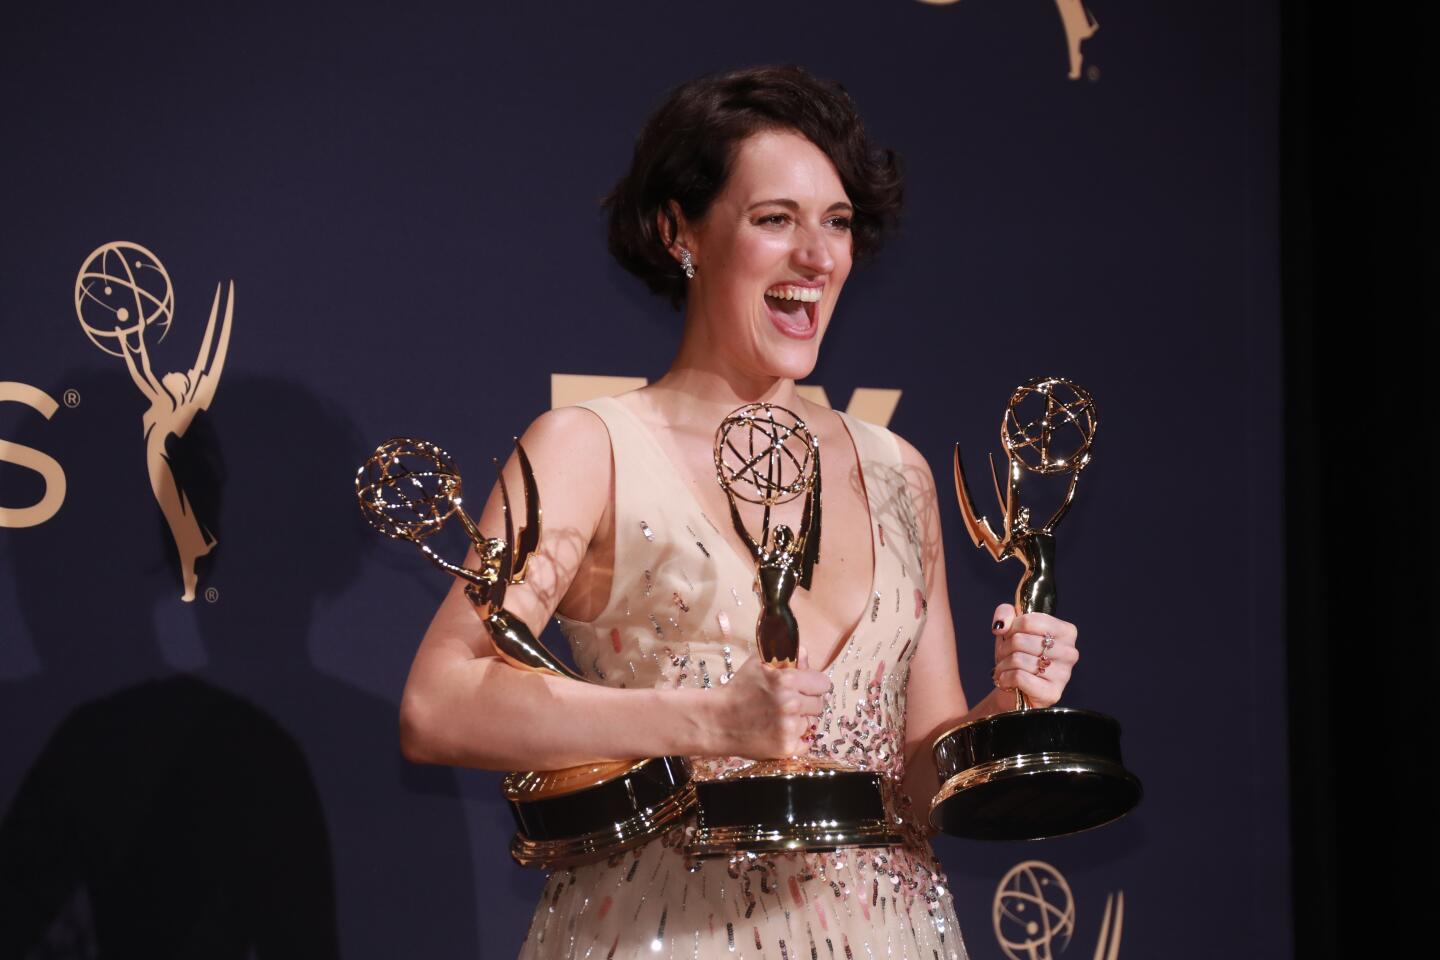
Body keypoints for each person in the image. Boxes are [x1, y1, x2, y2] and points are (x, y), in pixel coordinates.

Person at [397, 65, 1080, 959]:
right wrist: (708, 722)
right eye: (774, 220)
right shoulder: (589, 448)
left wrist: (1007, 705)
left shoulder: (896, 471)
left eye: (836, 223)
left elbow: (916, 779)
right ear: (680, 231)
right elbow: (439, 705)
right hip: (668, 933)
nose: (818, 256)